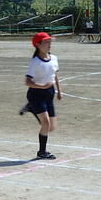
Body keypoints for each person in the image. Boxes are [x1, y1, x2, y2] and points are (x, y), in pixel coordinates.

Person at [24, 32, 62, 160]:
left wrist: (59, 91)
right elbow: (27, 82)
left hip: (49, 94)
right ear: (38, 45)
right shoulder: (35, 62)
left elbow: (55, 75)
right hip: (36, 95)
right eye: (46, 42)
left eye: (49, 41)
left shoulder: (54, 58)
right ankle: (42, 152)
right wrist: (42, 86)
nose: (49, 44)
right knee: (45, 124)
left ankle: (31, 108)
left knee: (51, 127)